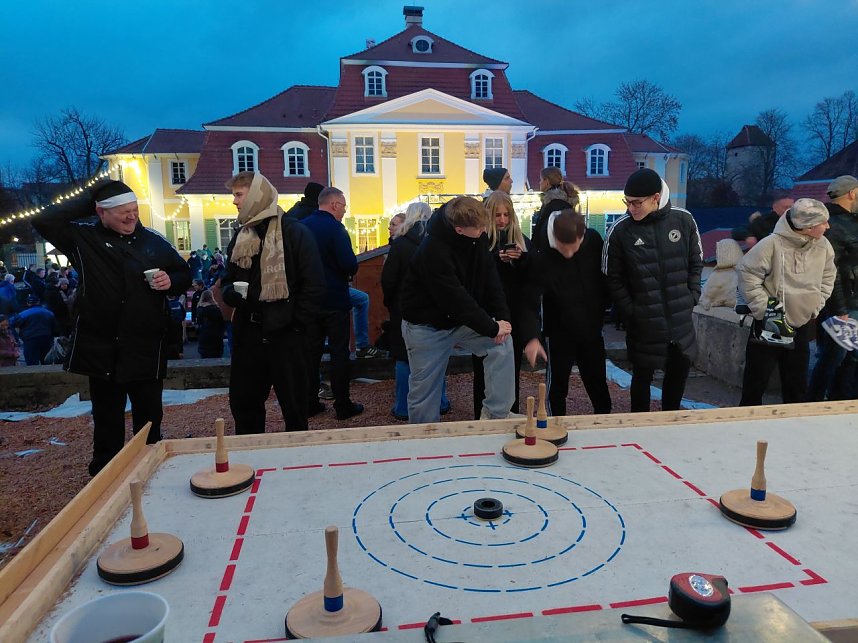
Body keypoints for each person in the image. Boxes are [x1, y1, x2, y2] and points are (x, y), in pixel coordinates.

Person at [31, 179, 192, 475]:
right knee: (107, 420)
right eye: (122, 212)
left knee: (149, 419)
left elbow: (184, 273)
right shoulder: (83, 238)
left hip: (145, 345)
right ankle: (106, 476)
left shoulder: (153, 242)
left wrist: (171, 282)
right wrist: (96, 194)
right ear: (101, 213)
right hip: (102, 346)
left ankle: (150, 469)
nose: (132, 216)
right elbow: (42, 219)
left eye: (134, 209)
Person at [221, 171, 325, 433]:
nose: (234, 201)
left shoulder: (294, 232)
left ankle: (296, 464)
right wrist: (229, 293)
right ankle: (250, 460)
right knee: (245, 407)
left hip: (286, 335)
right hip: (249, 334)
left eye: (239, 194)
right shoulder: (242, 235)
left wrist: (297, 324)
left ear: (257, 195)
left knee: (294, 406)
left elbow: (313, 284)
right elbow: (227, 278)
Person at [401, 196, 516, 424]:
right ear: (460, 229)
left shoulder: (478, 238)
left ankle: (496, 414)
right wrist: (491, 326)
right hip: (426, 326)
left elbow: (490, 279)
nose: (485, 231)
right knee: (425, 389)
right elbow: (455, 299)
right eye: (480, 228)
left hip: (459, 321)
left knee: (502, 345)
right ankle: (423, 439)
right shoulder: (432, 250)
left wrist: (502, 319)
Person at [602, 168, 703, 412]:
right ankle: (638, 427)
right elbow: (611, 277)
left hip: (680, 319)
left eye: (637, 203)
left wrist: (692, 296)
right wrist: (631, 310)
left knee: (677, 377)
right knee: (641, 378)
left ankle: (669, 422)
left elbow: (696, 261)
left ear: (655, 198)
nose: (630, 208)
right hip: (643, 320)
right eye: (627, 202)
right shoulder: (620, 231)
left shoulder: (684, 220)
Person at [738, 198, 836, 405]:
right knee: (756, 384)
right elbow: (747, 274)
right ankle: (746, 429)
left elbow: (828, 276)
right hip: (771, 318)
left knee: (797, 386)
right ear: (808, 226)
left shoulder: (824, 246)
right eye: (823, 222)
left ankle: (794, 430)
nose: (828, 226)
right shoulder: (771, 244)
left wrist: (816, 304)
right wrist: (764, 309)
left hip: (801, 322)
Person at [522, 199, 613, 416]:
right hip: (560, 332)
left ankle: (604, 421)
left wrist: (606, 308)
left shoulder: (593, 240)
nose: (570, 254)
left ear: (582, 236)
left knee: (597, 381)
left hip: (591, 328)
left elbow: (606, 279)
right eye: (565, 250)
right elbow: (529, 300)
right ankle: (554, 425)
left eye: (575, 248)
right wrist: (532, 336)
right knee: (557, 387)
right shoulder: (543, 257)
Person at [381, 201, 450, 420]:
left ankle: (403, 406)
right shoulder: (439, 242)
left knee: (404, 358)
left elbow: (389, 280)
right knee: (437, 356)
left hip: (406, 308)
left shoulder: (400, 244)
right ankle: (440, 401)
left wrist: (391, 303)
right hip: (437, 307)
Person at [301, 187, 364, 421]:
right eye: (344, 206)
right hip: (334, 300)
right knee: (339, 354)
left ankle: (309, 403)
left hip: (308, 301)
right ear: (335, 204)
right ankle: (342, 404)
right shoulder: (336, 229)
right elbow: (349, 264)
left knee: (310, 354)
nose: (345, 211)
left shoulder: (301, 226)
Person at [472, 191, 531, 417]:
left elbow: (532, 277)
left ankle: (509, 413)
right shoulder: (479, 241)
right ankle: (481, 415)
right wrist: (497, 260)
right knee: (484, 368)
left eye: (506, 214)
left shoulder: (521, 239)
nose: (503, 220)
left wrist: (522, 259)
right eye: (497, 215)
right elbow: (476, 277)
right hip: (486, 315)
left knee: (510, 368)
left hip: (512, 313)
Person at [806, 175, 858, 401]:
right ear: (852, 193)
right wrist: (840, 309)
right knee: (834, 357)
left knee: (848, 358)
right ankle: (814, 404)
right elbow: (831, 272)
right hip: (844, 303)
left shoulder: (841, 222)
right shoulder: (835, 225)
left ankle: (840, 403)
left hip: (849, 301)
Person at [10, 296, 55, 365]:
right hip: (46, 338)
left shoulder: (23, 314)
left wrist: (16, 337)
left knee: (31, 362)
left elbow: (12, 323)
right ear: (38, 302)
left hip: (30, 339)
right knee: (46, 360)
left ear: (28, 303)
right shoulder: (49, 312)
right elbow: (54, 326)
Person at [533, 166, 580, 232]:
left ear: (547, 182)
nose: (539, 183)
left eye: (540, 180)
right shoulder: (560, 202)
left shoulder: (554, 205)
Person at [195, 290, 226, 358]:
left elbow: (198, 322)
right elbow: (221, 323)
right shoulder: (216, 309)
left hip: (203, 335)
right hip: (215, 336)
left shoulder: (199, 309)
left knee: (204, 356)